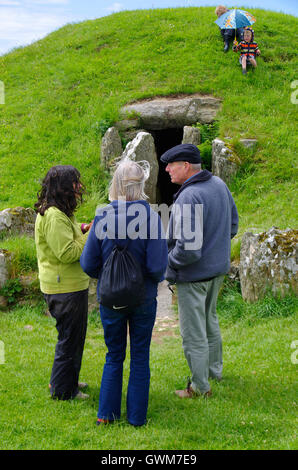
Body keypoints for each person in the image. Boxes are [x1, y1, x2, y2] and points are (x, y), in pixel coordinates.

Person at [80, 158, 168, 426]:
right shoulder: (151, 218)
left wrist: (109, 276)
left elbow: (87, 263)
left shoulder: (101, 217)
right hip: (143, 298)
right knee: (140, 355)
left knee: (114, 354)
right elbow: (157, 267)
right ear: (141, 185)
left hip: (111, 299)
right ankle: (137, 418)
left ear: (115, 184)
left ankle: (106, 415)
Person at [160, 144, 238, 398]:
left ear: (185, 166)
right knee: (210, 322)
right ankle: (214, 371)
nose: (167, 169)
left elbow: (189, 250)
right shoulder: (219, 185)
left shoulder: (189, 196)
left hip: (194, 277)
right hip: (217, 272)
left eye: (171, 165)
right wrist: (216, 251)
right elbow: (233, 225)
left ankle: (200, 387)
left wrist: (168, 265)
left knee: (194, 333)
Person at [34, 165, 92, 400]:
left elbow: (65, 237)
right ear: (64, 186)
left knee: (73, 337)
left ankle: (67, 380)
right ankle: (63, 391)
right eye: (75, 182)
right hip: (65, 288)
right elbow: (67, 252)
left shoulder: (59, 212)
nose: (79, 187)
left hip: (68, 285)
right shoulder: (54, 216)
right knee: (69, 339)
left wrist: (80, 228)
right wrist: (93, 233)